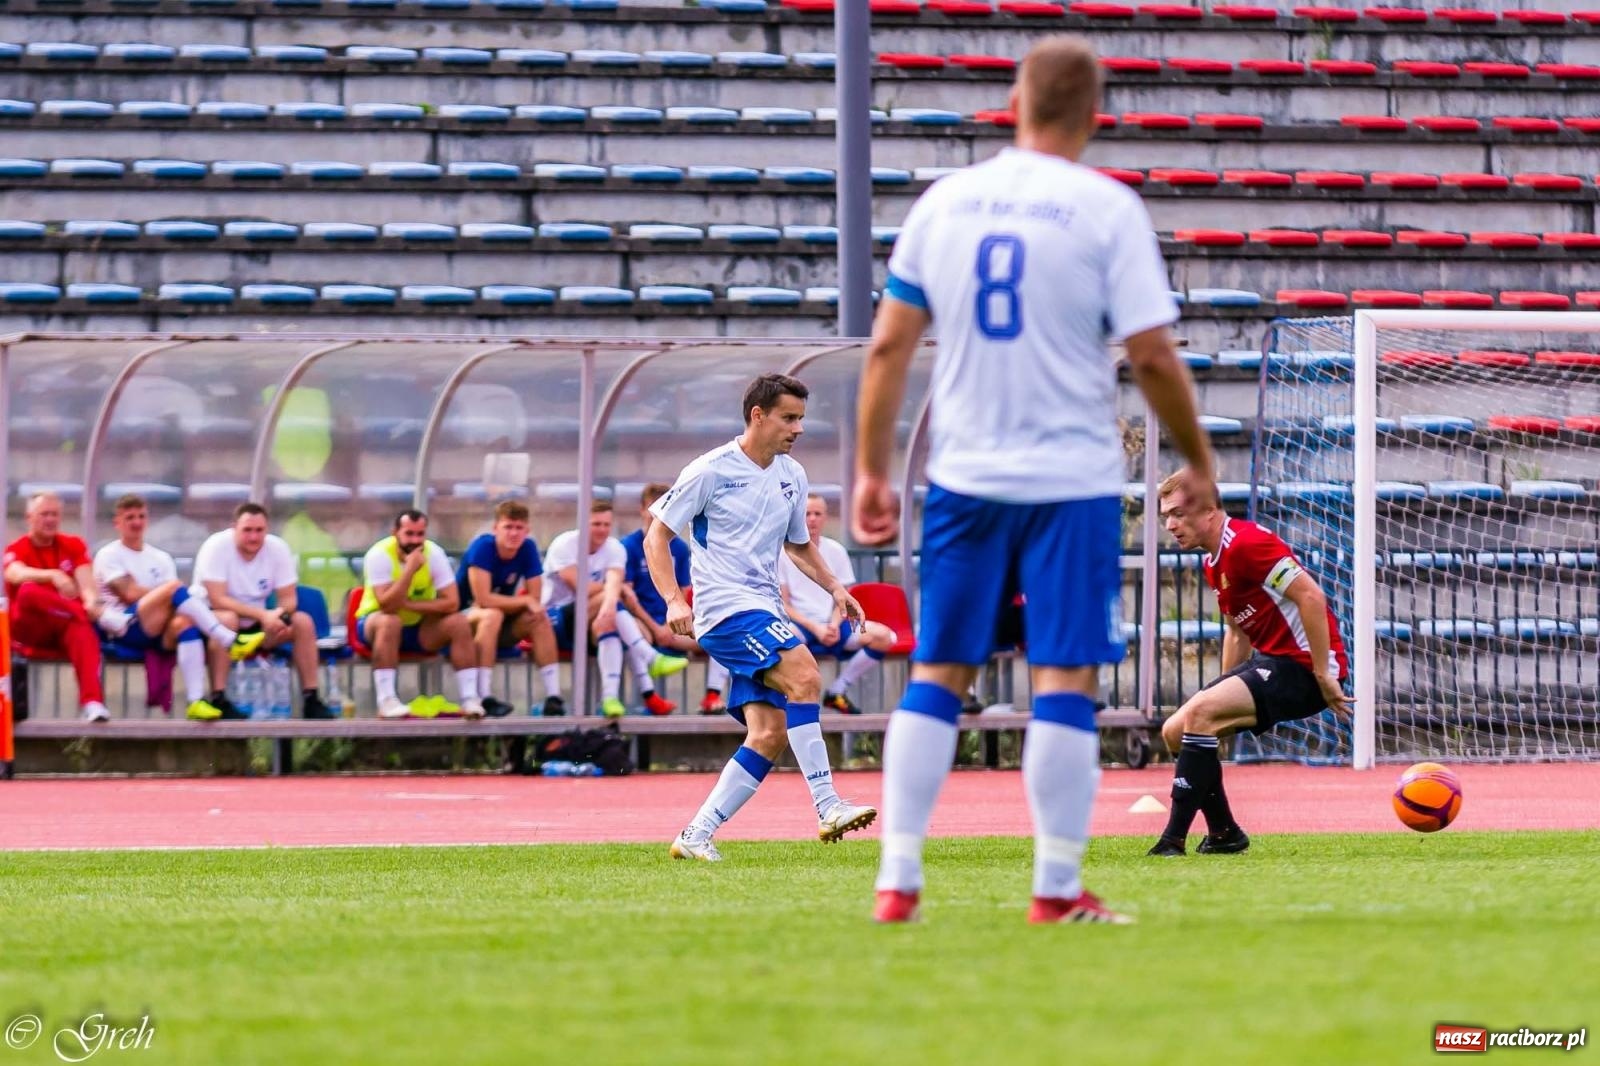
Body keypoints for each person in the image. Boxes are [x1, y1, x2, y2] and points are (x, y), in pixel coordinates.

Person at [852, 35, 1218, 924]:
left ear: (1013, 105)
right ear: (1095, 115)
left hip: (965, 476)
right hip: (1069, 482)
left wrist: (869, 469)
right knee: (1064, 677)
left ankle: (898, 879)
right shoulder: (1106, 208)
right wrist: (1200, 460)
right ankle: (1055, 888)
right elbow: (1152, 355)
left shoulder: (945, 203)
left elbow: (889, 346)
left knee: (939, 672)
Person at [648, 373, 877, 862]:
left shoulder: (792, 475)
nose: (798, 428)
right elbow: (656, 536)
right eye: (789, 418)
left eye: (801, 418)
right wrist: (673, 599)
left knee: (769, 732)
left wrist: (837, 588)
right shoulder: (710, 470)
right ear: (758, 415)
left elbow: (799, 546)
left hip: (763, 607)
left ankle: (695, 835)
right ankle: (828, 805)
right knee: (806, 676)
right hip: (726, 609)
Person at [1148, 469, 1352, 856]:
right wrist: (1220, 692)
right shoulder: (1214, 562)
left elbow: (1311, 596)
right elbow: (1237, 634)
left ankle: (1171, 841)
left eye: (1177, 514)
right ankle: (1224, 833)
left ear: (1209, 510)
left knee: (1201, 714)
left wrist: (1324, 673)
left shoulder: (1247, 543)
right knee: (1175, 730)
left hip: (1304, 668)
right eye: (1166, 517)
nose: (1170, 525)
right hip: (1272, 662)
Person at [93, 493, 265, 721]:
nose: (136, 522)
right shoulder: (109, 554)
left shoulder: (160, 557)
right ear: (117, 523)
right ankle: (228, 639)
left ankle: (196, 701)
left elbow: (173, 602)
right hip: (123, 627)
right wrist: (163, 593)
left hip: (158, 629)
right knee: (174, 588)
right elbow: (129, 594)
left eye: (141, 516)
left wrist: (163, 595)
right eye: (130, 518)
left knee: (185, 622)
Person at [543, 501, 687, 717]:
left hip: (596, 619)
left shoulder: (614, 548)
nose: (602, 529)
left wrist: (611, 599)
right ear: (583, 523)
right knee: (612, 604)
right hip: (557, 620)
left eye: (606, 525)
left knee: (612, 625)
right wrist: (614, 592)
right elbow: (580, 586)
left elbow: (614, 580)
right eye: (596, 524)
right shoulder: (564, 544)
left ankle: (610, 698)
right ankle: (650, 665)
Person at [192, 502, 333, 720]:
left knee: (303, 622)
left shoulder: (277, 548)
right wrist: (263, 615)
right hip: (214, 621)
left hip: (258, 624)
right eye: (247, 530)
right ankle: (218, 698)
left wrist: (277, 616)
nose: (254, 537)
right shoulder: (216, 547)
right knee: (228, 620)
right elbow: (217, 599)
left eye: (259, 530)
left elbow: (289, 599)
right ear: (234, 528)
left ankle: (311, 699)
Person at [777, 492, 895, 715]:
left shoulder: (836, 551)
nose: (812, 519)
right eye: (807, 514)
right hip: (800, 625)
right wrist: (815, 628)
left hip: (834, 622)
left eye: (817, 514)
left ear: (825, 518)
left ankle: (837, 690)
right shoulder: (784, 553)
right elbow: (784, 604)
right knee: (779, 641)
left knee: (883, 636)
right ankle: (788, 700)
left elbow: (845, 596)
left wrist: (832, 624)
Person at [357, 509, 482, 719]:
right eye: (409, 534)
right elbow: (387, 606)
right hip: (375, 624)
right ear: (395, 532)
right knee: (390, 622)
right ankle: (386, 701)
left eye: (420, 534)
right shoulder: (378, 554)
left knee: (459, 622)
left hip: (418, 627)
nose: (415, 541)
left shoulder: (434, 554)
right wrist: (409, 570)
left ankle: (471, 699)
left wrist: (408, 604)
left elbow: (452, 602)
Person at [620, 482, 730, 714]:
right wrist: (654, 627)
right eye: (652, 508)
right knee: (629, 631)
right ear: (642, 510)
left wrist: (671, 625)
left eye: (663, 507)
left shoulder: (680, 548)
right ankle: (650, 698)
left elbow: (685, 590)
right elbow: (627, 596)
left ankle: (712, 696)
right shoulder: (628, 546)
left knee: (721, 633)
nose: (657, 514)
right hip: (643, 622)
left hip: (670, 625)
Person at [3, 491, 110, 722]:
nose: (50, 519)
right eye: (44, 514)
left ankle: (93, 702)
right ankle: (95, 617)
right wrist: (52, 575)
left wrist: (92, 603)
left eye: (55, 514)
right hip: (29, 632)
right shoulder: (17, 547)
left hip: (62, 625)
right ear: (29, 518)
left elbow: (87, 586)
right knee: (28, 591)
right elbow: (14, 573)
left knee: (81, 629)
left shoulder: (73, 545)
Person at [458, 500, 565, 718]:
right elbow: (482, 599)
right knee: (492, 615)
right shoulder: (482, 547)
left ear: (527, 530)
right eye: (508, 527)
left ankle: (553, 697)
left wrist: (526, 603)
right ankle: (484, 697)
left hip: (500, 622)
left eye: (519, 528)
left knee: (538, 616)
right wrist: (523, 602)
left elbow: (535, 599)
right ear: (495, 528)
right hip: (462, 621)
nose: (513, 533)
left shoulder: (528, 548)